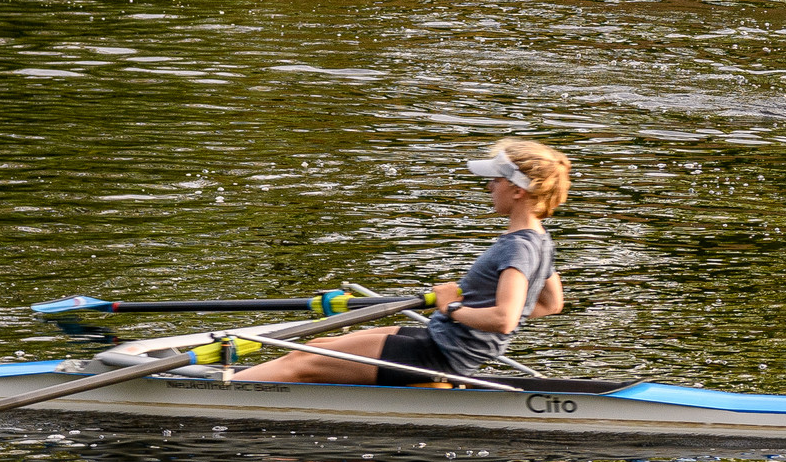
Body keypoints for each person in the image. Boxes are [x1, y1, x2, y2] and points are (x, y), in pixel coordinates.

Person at [237, 139, 567, 385]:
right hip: (444, 342)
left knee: (304, 364)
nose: (488, 186)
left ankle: (218, 393)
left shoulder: (517, 248)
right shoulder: (540, 239)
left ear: (519, 190)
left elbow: (505, 319)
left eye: (496, 180)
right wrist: (468, 317)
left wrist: (452, 308)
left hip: (443, 355)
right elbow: (551, 304)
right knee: (317, 345)